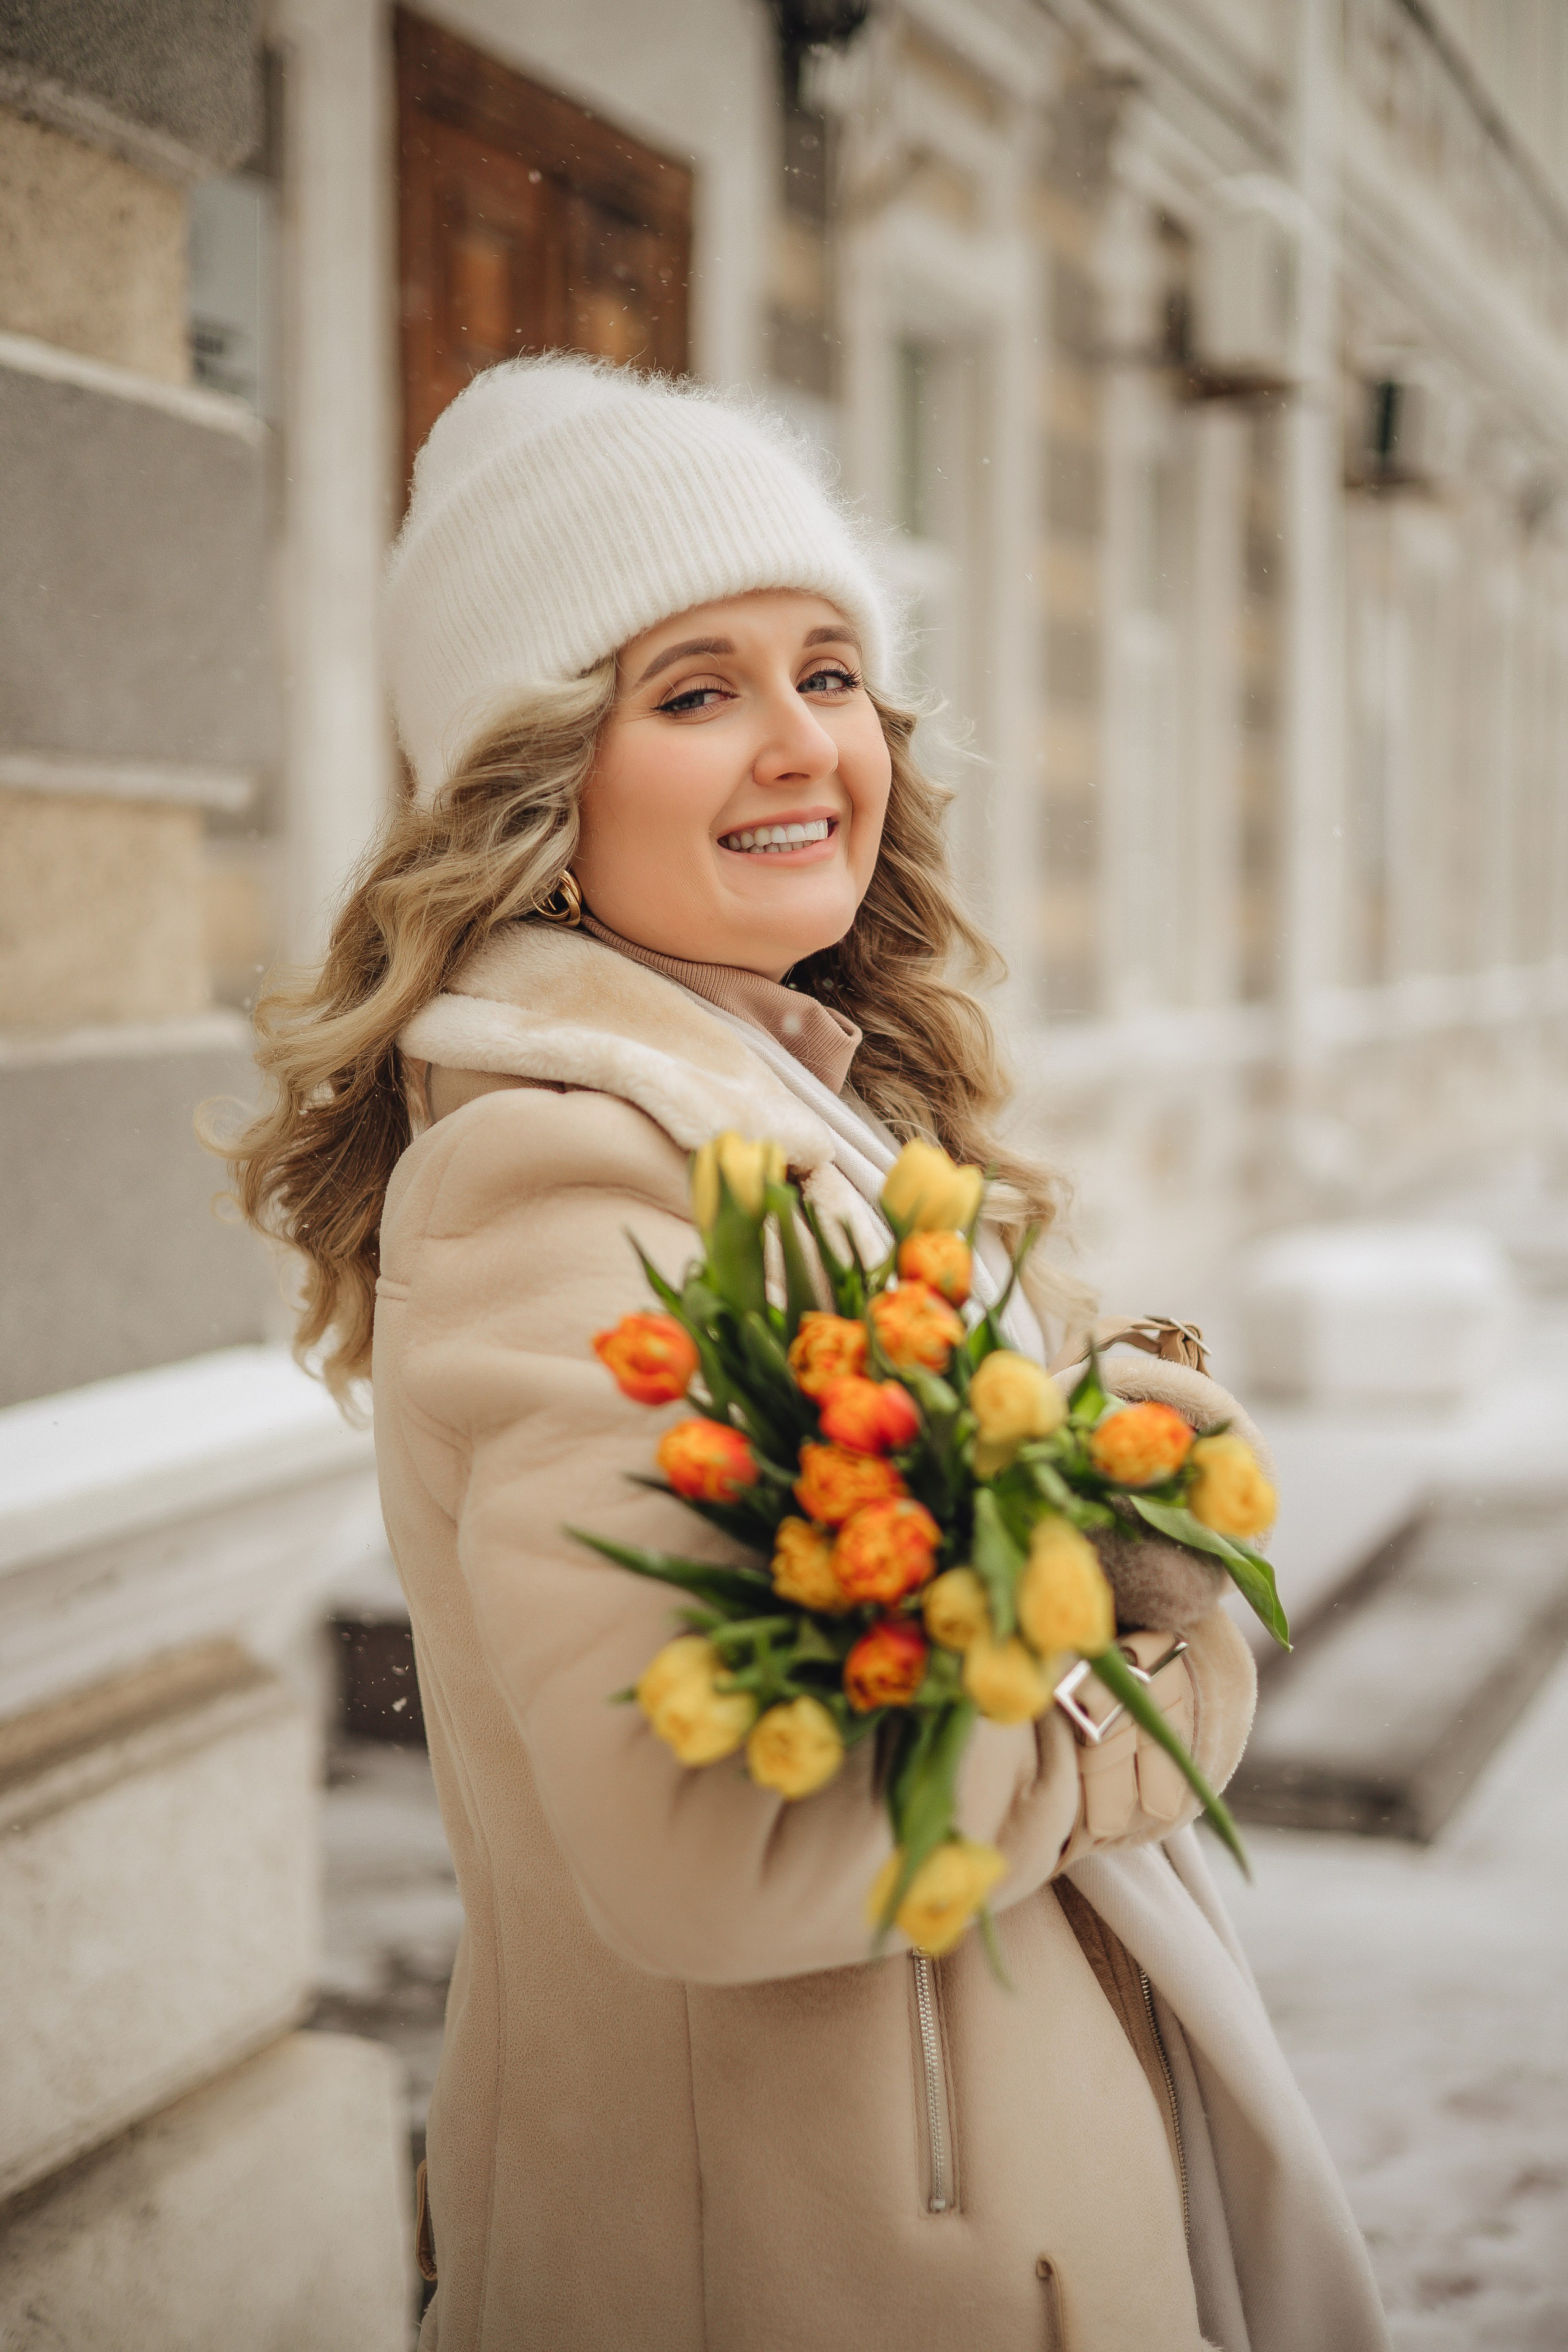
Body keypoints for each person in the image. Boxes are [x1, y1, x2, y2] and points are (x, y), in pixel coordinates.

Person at [226, 357, 1387, 2351]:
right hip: (800, 2268)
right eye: (695, 692)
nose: (802, 747)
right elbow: (728, 1845)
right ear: (542, 793)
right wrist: (1142, 1688)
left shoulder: (801, 1114)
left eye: (832, 671)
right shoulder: (571, 1187)